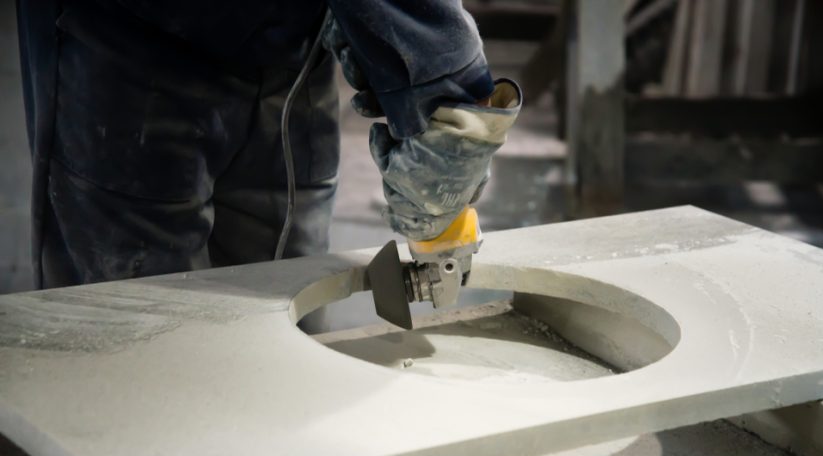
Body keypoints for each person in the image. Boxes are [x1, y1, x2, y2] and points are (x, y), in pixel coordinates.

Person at [16, 0, 521, 289]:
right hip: (122, 29)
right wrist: (447, 91)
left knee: (288, 308)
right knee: (134, 324)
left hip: (288, 46)